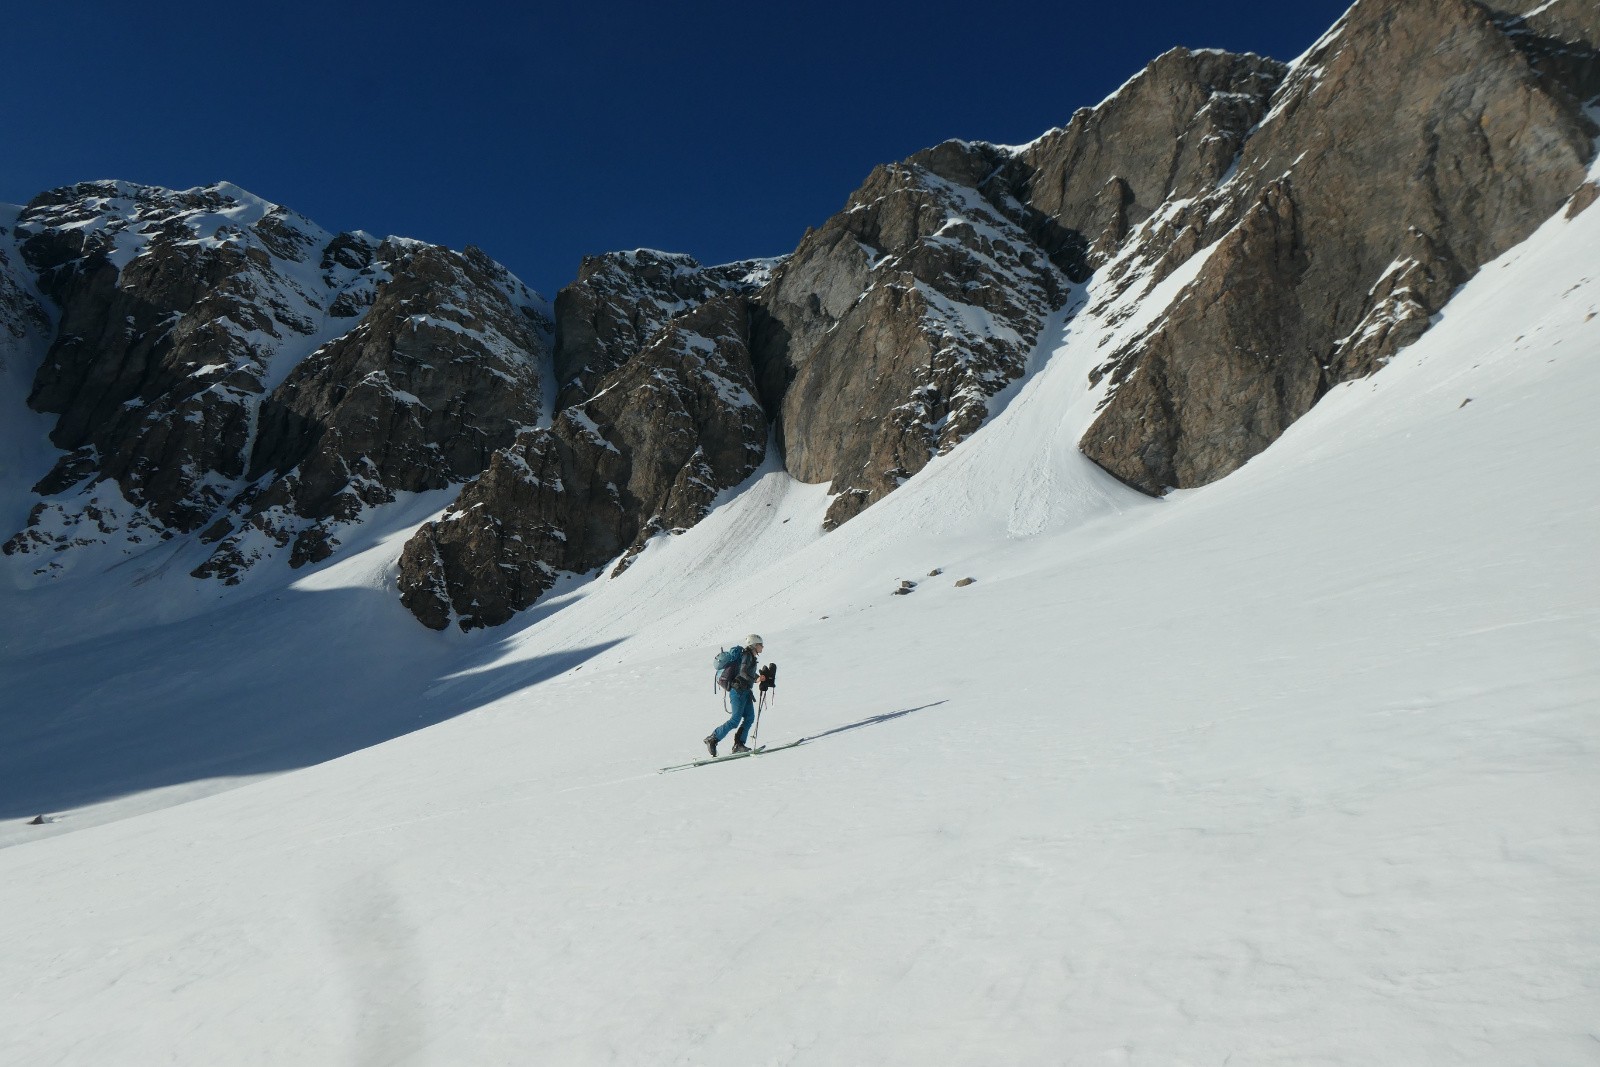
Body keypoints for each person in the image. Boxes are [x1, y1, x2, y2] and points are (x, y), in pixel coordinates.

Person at [705, 634, 764, 756]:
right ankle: (713, 738)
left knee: (749, 718)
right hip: (738, 691)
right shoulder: (747, 655)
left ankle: (739, 744)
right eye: (760, 645)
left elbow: (748, 672)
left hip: (745, 691)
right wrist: (756, 679)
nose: (762, 647)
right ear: (754, 645)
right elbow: (743, 672)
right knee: (735, 720)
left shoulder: (750, 656)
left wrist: (759, 678)